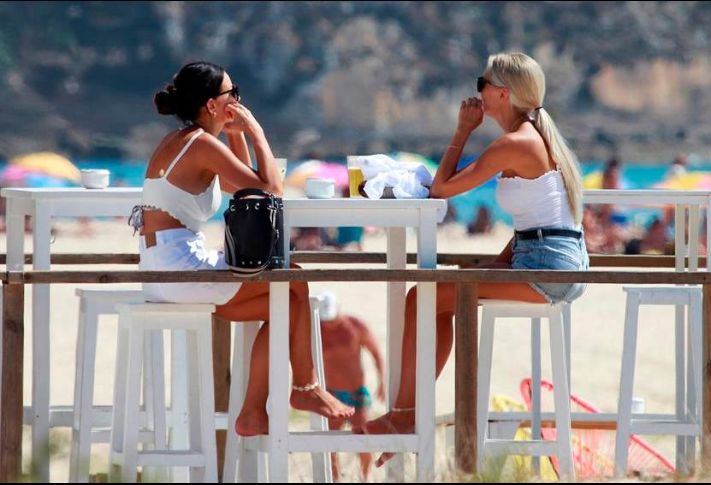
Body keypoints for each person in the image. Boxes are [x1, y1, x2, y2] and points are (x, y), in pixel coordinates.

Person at [355, 52, 589, 465]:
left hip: (548, 271)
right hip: (546, 262)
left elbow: (440, 189)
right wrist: (498, 262)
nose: (476, 91)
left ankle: (404, 417)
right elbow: (538, 225)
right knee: (433, 295)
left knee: (422, 297)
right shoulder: (537, 136)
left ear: (501, 93)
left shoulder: (516, 142)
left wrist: (462, 131)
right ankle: (405, 415)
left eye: (481, 83)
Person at [129, 61, 353, 436]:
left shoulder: (183, 141)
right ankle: (305, 390)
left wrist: (236, 135)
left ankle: (260, 409)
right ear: (212, 105)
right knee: (293, 284)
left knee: (289, 299)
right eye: (232, 94)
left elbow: (242, 186)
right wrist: (256, 131)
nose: (237, 100)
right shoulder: (200, 145)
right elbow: (271, 190)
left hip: (164, 267)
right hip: (179, 269)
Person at [316, 291, 385, 481]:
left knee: (363, 436)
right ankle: (335, 479)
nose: (329, 324)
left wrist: (382, 381)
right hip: (331, 393)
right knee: (330, 440)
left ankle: (365, 477)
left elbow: (375, 351)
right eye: (325, 319)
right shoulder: (316, 331)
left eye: (331, 318)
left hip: (357, 393)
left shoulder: (354, 326)